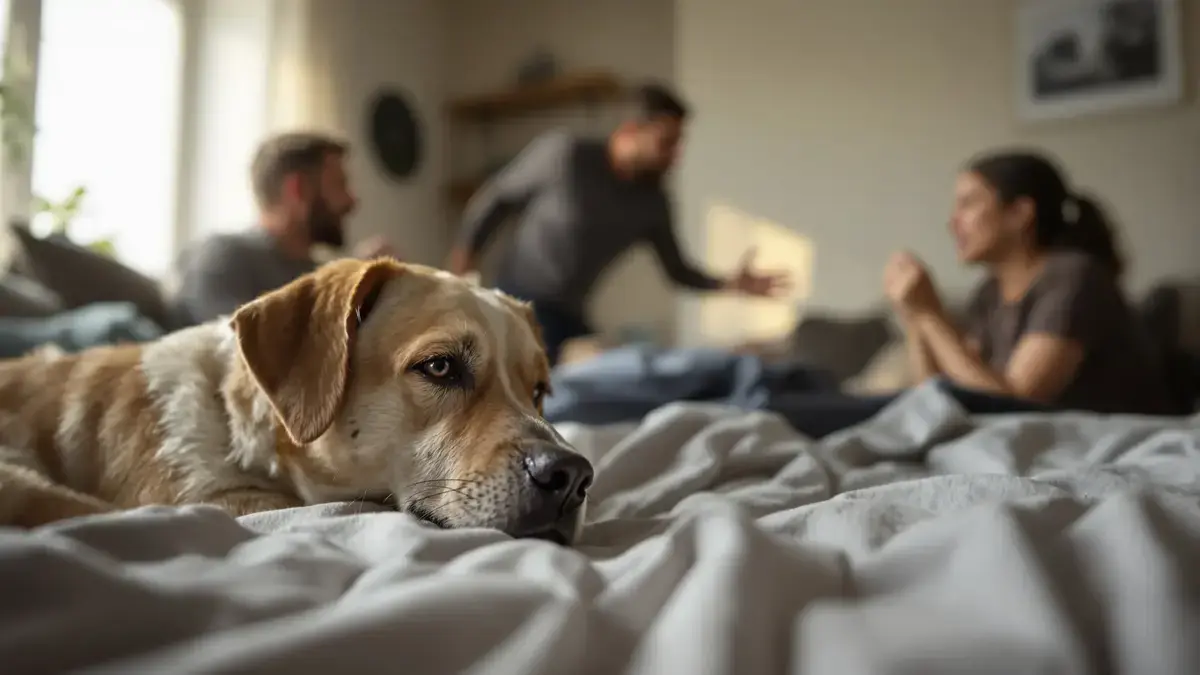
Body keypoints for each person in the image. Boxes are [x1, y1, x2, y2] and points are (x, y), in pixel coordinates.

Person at [767, 150, 1176, 439]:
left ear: (1020, 213)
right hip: (1020, 432)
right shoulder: (990, 292)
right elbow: (940, 395)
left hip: (1091, 438)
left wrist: (932, 315)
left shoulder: (1074, 277)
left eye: (967, 204)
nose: (953, 221)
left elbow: (1016, 404)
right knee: (793, 404)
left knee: (790, 407)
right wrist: (914, 317)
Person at [446, 83, 790, 365]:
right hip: (516, 302)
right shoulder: (566, 155)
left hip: (570, 315)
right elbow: (496, 198)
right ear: (630, 132)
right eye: (667, 142)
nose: (676, 155)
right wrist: (464, 259)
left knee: (611, 370)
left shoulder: (653, 203)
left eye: (679, 144)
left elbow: (678, 269)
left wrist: (730, 283)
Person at [172, 132, 396, 325]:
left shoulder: (317, 273)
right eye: (339, 184)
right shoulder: (226, 255)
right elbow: (234, 349)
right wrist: (348, 287)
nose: (351, 200)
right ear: (297, 189)